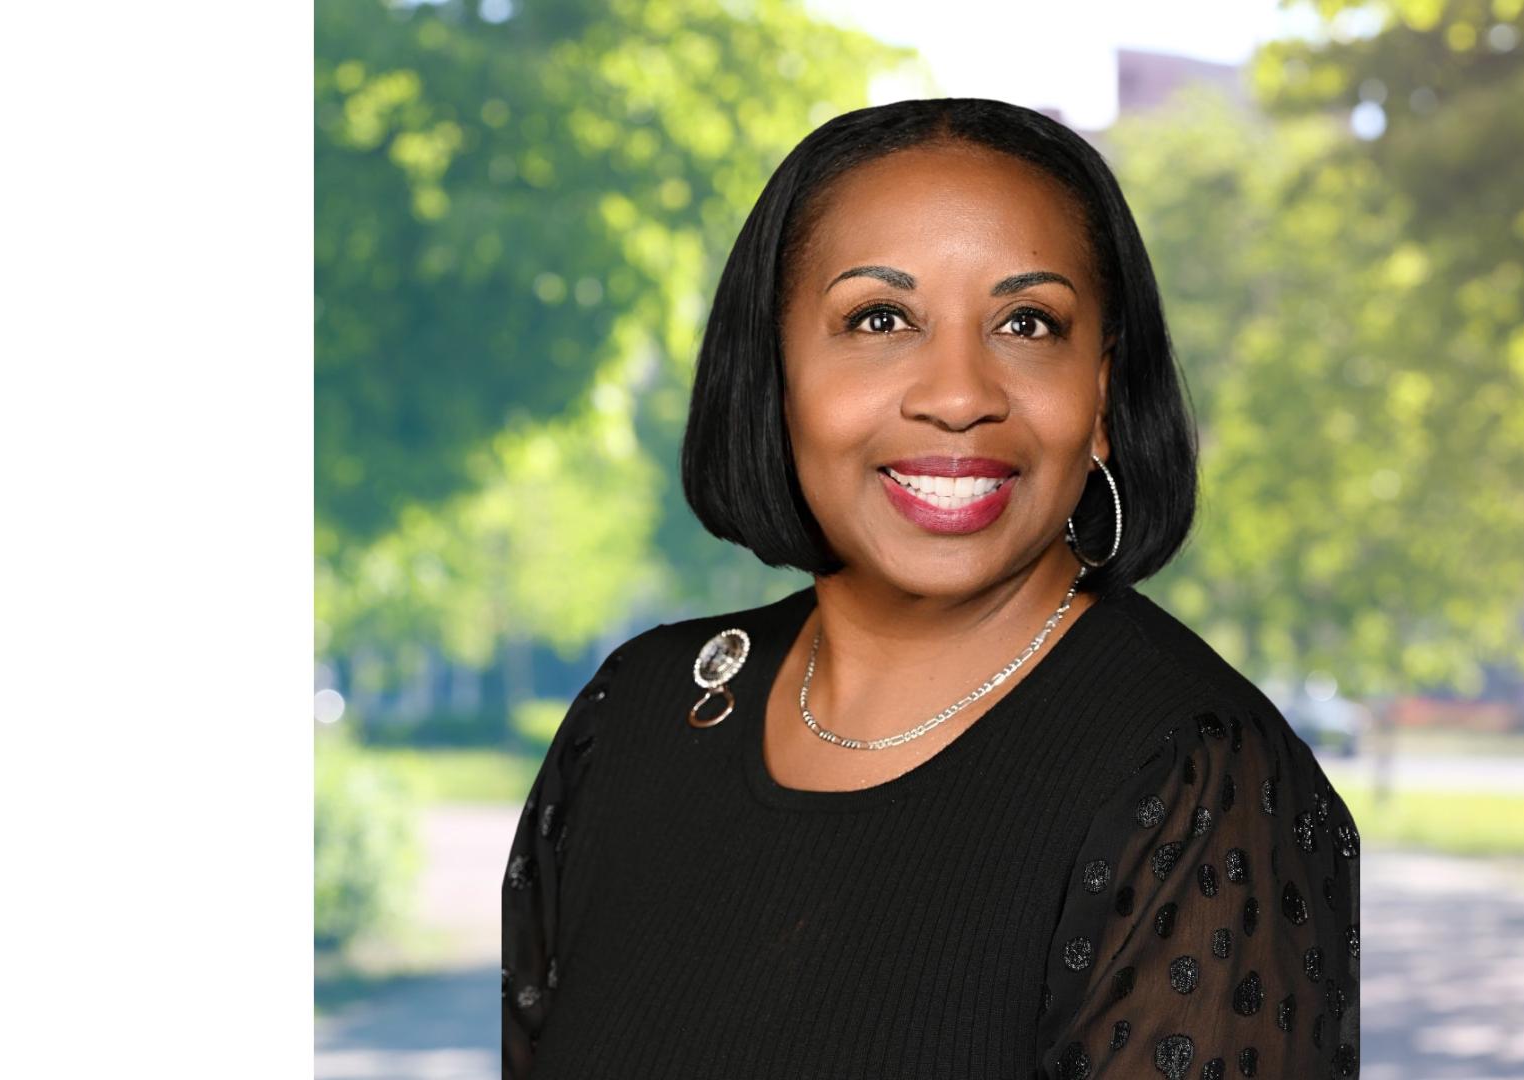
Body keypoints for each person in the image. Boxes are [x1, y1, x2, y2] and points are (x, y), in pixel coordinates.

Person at [502, 97, 1359, 1080]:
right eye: (879, 318)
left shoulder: (1201, 779)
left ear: (1103, 399)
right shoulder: (638, 710)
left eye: (1029, 323)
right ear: (774, 374)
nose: (958, 395)